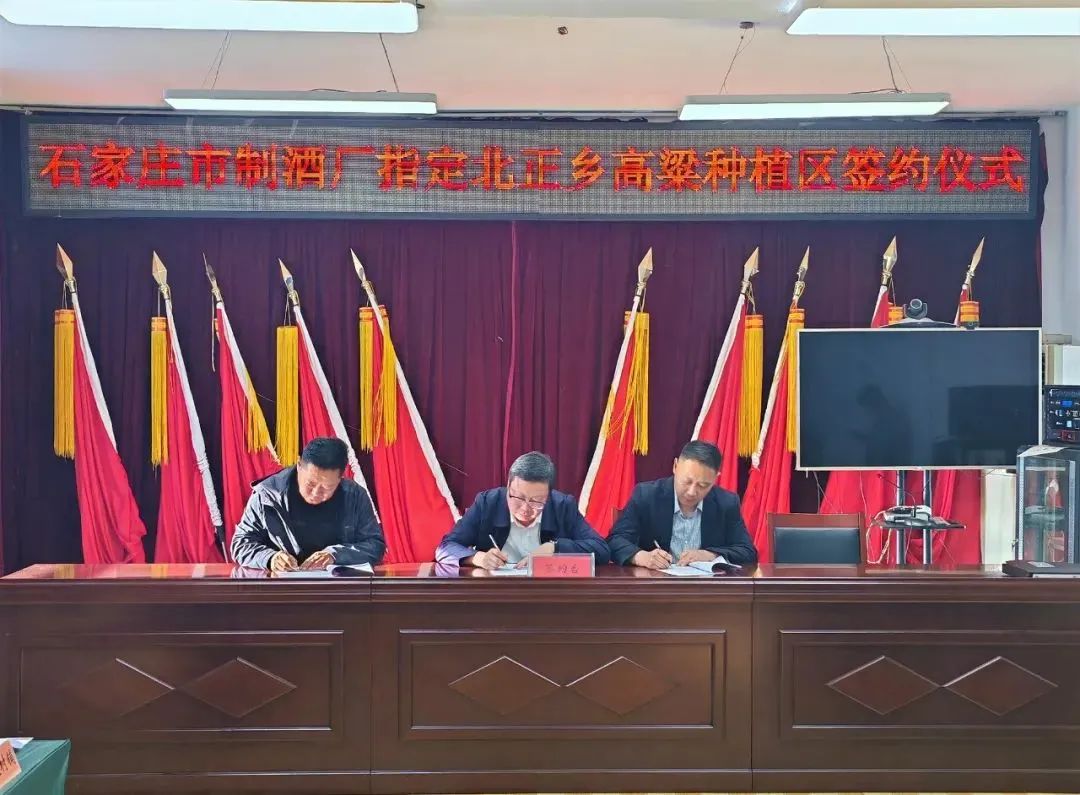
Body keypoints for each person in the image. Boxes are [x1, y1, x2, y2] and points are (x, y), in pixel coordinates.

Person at [231, 437, 386, 572]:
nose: (316, 493)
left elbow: (375, 545)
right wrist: (270, 558)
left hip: (338, 586)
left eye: (327, 487)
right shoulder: (268, 494)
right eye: (310, 484)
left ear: (340, 478)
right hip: (283, 587)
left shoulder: (355, 496)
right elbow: (240, 544)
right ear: (299, 466)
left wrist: (335, 555)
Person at [436, 451, 611, 569]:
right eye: (518, 498)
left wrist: (554, 548)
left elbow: (602, 549)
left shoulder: (562, 506)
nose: (525, 509)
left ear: (549, 495)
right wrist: (476, 558)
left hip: (548, 595)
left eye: (536, 501)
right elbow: (445, 547)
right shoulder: (488, 503)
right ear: (508, 486)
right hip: (495, 594)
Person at [608, 440, 758, 570]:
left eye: (703, 485)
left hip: (706, 589)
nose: (692, 492)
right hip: (655, 586)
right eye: (687, 481)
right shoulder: (647, 496)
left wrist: (710, 555)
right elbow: (615, 541)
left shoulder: (727, 503)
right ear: (675, 466)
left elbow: (748, 552)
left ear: (715, 478)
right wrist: (641, 557)